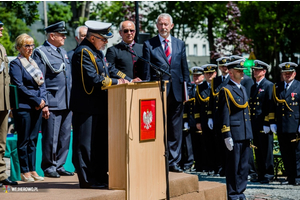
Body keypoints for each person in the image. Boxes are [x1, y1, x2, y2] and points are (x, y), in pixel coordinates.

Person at [71, 20, 139, 189]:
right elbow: (94, 79)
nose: (106, 42)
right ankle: (87, 180)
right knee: (85, 146)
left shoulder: (96, 51)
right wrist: (119, 82)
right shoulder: (83, 52)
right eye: (103, 39)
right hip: (86, 107)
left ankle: (100, 176)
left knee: (99, 145)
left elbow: (111, 69)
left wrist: (129, 80)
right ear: (93, 38)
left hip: (100, 106)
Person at [143, 13, 191, 173]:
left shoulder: (180, 44)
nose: (163, 27)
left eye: (166, 24)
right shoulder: (149, 44)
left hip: (176, 93)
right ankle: (157, 158)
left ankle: (173, 162)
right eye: (160, 24)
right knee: (156, 127)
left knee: (175, 129)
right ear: (156, 26)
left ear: (171, 26)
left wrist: (187, 92)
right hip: (157, 92)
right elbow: (146, 73)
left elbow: (184, 70)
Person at [32, 21, 73, 178]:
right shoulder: (41, 52)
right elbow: (40, 80)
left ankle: (60, 165)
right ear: (52, 35)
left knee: (64, 135)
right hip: (53, 101)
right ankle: (49, 166)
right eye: (61, 34)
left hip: (67, 101)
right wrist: (44, 104)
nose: (64, 37)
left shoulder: (62, 52)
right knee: (51, 137)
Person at [9, 33, 46, 182]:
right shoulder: (16, 64)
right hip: (24, 107)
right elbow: (19, 86)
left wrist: (43, 101)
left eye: (32, 45)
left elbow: (42, 83)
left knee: (33, 139)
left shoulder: (34, 62)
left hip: (37, 106)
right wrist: (37, 100)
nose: (30, 48)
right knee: (23, 140)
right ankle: (25, 172)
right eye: (27, 45)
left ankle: (32, 169)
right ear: (19, 48)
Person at [219, 58, 253, 200]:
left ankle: (240, 191)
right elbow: (224, 113)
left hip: (245, 132)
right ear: (231, 73)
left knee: (244, 166)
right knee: (233, 166)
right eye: (239, 71)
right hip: (234, 133)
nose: (242, 73)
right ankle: (233, 193)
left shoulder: (243, 88)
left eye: (242, 71)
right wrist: (227, 134)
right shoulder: (226, 90)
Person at [270, 62, 300, 186]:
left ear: (295, 73)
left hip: (295, 125)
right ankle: (290, 177)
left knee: (297, 153)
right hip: (282, 125)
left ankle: (298, 177)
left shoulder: (299, 86)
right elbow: (273, 106)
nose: (287, 75)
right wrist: (272, 122)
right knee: (285, 153)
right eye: (285, 73)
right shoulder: (277, 87)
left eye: (290, 73)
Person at [249, 60, 274, 184]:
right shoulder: (254, 86)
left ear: (264, 71)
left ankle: (269, 174)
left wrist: (268, 122)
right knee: (257, 150)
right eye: (254, 70)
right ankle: (261, 173)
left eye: (258, 70)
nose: (255, 72)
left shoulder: (268, 85)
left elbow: (270, 105)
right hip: (255, 123)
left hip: (264, 124)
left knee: (266, 150)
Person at [0, 20, 18, 186]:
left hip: (3, 102)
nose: (1, 29)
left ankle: (1, 175)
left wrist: (10, 102)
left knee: (2, 140)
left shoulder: (2, 48)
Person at [207, 56, 231, 176]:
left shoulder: (231, 80)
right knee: (218, 144)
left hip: (226, 116)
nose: (224, 68)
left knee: (227, 143)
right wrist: (210, 116)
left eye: (226, 66)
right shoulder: (215, 81)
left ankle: (228, 167)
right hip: (217, 117)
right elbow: (212, 99)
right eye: (222, 66)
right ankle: (220, 167)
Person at [180, 66, 204, 172]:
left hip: (200, 120)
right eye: (194, 76)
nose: (196, 78)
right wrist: (185, 120)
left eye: (198, 76)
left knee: (202, 144)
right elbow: (185, 106)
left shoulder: (204, 88)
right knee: (191, 144)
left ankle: (202, 164)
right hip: (190, 120)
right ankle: (192, 163)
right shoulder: (190, 88)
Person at [195, 64, 217, 175]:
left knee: (218, 143)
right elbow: (197, 106)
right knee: (207, 144)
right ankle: (211, 166)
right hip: (204, 119)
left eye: (211, 73)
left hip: (216, 119)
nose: (209, 75)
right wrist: (198, 121)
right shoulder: (200, 87)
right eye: (207, 73)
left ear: (215, 73)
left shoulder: (218, 85)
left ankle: (219, 166)